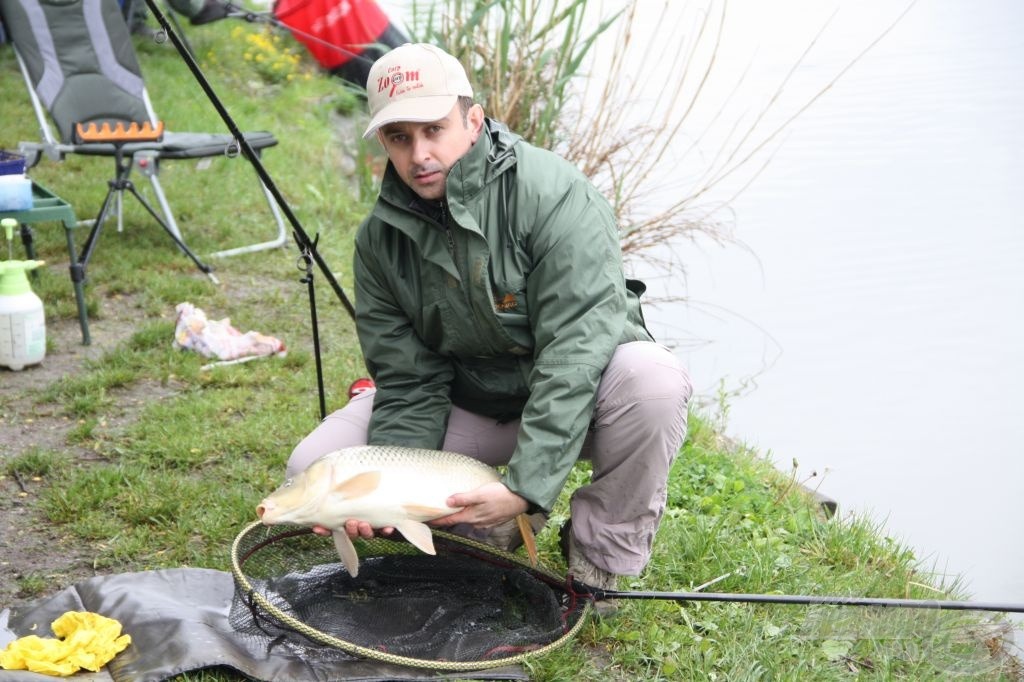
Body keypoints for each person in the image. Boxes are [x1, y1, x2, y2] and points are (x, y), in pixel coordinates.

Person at [287, 42, 693, 595]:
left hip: (586, 397)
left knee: (656, 383)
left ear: (472, 120)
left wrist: (527, 485)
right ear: (383, 141)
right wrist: (385, 499)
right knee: (313, 468)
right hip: (474, 400)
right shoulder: (378, 242)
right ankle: (492, 528)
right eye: (399, 138)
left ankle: (599, 560)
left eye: (434, 130)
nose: (419, 154)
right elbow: (408, 380)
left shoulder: (554, 195)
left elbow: (574, 356)